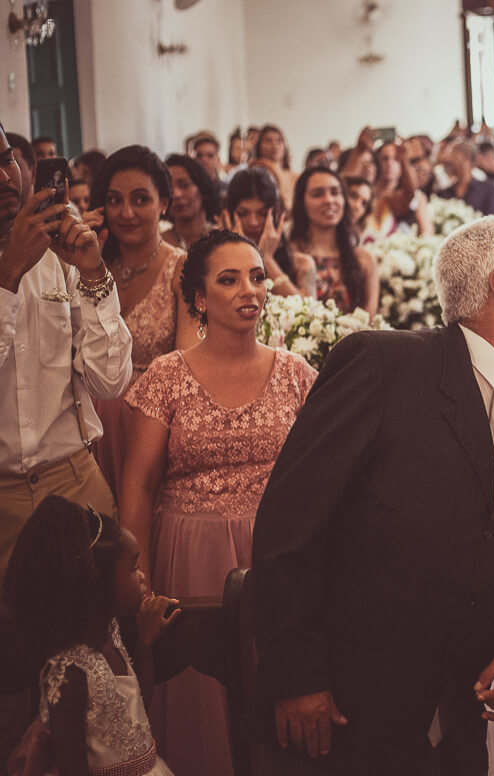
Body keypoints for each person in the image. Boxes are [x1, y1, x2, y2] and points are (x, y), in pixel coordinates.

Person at [252, 213, 494, 774]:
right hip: (345, 711)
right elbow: (289, 526)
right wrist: (298, 676)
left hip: (458, 720)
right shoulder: (384, 364)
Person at [121, 230, 317, 776]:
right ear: (200, 298)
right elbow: (137, 486)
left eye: (256, 276)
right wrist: (140, 583)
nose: (248, 289)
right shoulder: (166, 377)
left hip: (276, 552)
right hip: (191, 553)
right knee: (199, 703)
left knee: (275, 688)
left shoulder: (297, 373)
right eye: (228, 280)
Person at [0, 119, 130, 578]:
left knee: (99, 636)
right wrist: (9, 277)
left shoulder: (57, 255)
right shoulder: (23, 259)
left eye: (5, 159)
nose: (4, 176)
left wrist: (93, 272)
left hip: (72, 481)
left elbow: (109, 382)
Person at [3, 496, 179, 776]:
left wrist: (145, 645)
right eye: (134, 568)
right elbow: (72, 767)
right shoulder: (69, 671)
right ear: (98, 585)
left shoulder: (111, 634)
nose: (143, 576)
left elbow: (135, 717)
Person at [88, 146, 196, 502]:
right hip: (89, 427)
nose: (127, 213)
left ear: (163, 203)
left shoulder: (181, 269)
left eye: (140, 199)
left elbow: (187, 363)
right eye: (115, 200)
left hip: (151, 428)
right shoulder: (89, 267)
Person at [288, 166, 378, 315]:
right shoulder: (290, 255)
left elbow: (369, 324)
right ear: (302, 202)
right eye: (317, 194)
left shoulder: (364, 259)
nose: (329, 200)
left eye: (335, 193)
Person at [223, 166, 315, 299]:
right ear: (229, 215)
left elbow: (310, 314)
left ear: (277, 215)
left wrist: (267, 259)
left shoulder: (301, 263)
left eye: (262, 213)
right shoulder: (214, 266)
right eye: (243, 214)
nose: (253, 222)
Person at [163, 154, 219, 250]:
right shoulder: (159, 244)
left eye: (184, 185)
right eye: (169, 189)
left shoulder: (221, 240)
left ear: (202, 187)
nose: (176, 194)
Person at [438, 140, 494, 218]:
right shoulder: (444, 192)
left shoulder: (488, 189)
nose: (448, 159)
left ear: (466, 158)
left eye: (453, 155)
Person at [252, 125, 298, 210]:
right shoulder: (256, 170)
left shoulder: (293, 175)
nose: (274, 145)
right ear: (259, 146)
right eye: (268, 141)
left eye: (279, 141)